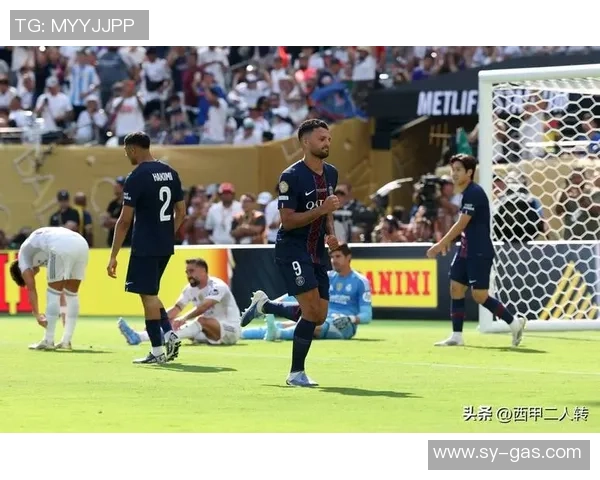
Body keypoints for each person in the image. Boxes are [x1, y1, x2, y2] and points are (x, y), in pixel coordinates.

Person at [241, 118, 341, 387]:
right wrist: (322, 209)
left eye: (329, 139)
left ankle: (265, 306)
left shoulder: (331, 173)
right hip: (293, 249)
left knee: (319, 315)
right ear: (306, 142)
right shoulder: (291, 176)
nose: (327, 143)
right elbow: (287, 221)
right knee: (311, 311)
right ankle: (296, 373)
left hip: (317, 250)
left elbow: (328, 210)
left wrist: (331, 233)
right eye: (322, 139)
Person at [426, 154, 526, 347]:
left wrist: (440, 244)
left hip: (479, 251)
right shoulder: (466, 193)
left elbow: (462, 223)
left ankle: (514, 323)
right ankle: (457, 336)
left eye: (458, 170)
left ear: (469, 172)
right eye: (453, 170)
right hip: (466, 250)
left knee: (479, 296)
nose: (454, 174)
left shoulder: (474, 193)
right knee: (456, 288)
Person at [107, 131, 186, 364]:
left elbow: (124, 221)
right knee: (150, 292)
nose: (126, 156)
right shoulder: (171, 173)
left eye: (126, 151)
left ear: (133, 149)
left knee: (148, 296)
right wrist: (167, 234)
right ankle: (169, 334)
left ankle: (158, 351)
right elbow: (181, 212)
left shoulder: (136, 176)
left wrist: (113, 255)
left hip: (145, 244)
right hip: (164, 245)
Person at [241, 244, 372, 341]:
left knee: (311, 325)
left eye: (338, 256)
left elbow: (367, 315)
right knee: (289, 323)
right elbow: (303, 293)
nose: (334, 260)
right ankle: (240, 333)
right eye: (332, 257)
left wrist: (351, 319)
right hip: (322, 317)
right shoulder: (327, 277)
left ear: (348, 257)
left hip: (344, 325)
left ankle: (278, 334)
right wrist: (273, 304)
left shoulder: (360, 281)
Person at [117, 258, 241, 346]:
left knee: (198, 320)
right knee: (176, 324)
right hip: (209, 332)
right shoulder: (189, 289)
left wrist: (183, 318)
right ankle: (143, 335)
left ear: (203, 271)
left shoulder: (217, 286)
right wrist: (155, 322)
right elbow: (176, 309)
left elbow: (204, 307)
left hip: (230, 330)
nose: (188, 275)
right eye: (187, 272)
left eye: (191, 271)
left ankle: (142, 337)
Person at [9, 226, 89, 350]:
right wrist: (65, 313)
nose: (34, 275)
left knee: (53, 292)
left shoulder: (23, 258)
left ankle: (48, 340)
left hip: (60, 244)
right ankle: (66, 341)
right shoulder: (40, 254)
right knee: (71, 294)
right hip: (81, 243)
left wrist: (37, 315)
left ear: (20, 272)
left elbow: (31, 289)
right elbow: (63, 291)